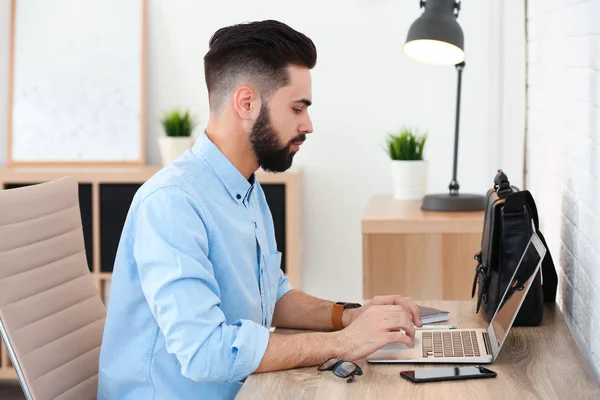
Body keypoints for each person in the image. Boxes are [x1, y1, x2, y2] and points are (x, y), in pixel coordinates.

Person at [97, 19, 422, 400]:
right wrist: (345, 343)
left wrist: (349, 316)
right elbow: (205, 352)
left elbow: (272, 296)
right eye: (297, 108)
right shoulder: (173, 203)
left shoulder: (246, 188)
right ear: (247, 103)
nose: (308, 124)